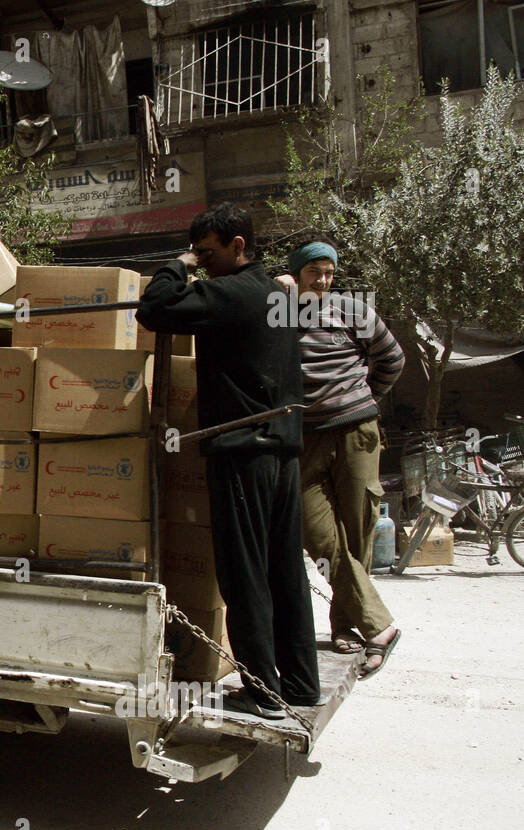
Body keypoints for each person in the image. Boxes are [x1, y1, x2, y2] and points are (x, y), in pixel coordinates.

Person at [137, 203, 322, 719]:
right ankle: (302, 685)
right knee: (284, 568)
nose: (202, 260)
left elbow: (153, 309)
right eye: (197, 252)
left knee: (244, 575)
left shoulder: (232, 293)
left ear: (238, 246)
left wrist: (176, 264)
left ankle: (264, 694)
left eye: (208, 252)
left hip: (244, 454)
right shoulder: (275, 294)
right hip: (282, 452)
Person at [275, 235, 404, 680]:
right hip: (306, 438)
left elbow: (392, 358)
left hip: (356, 432)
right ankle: (380, 626)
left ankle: (346, 626)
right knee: (319, 534)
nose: (324, 280)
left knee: (359, 529)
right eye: (315, 272)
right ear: (297, 273)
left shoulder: (354, 310)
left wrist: (364, 399)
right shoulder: (279, 314)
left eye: (329, 272)